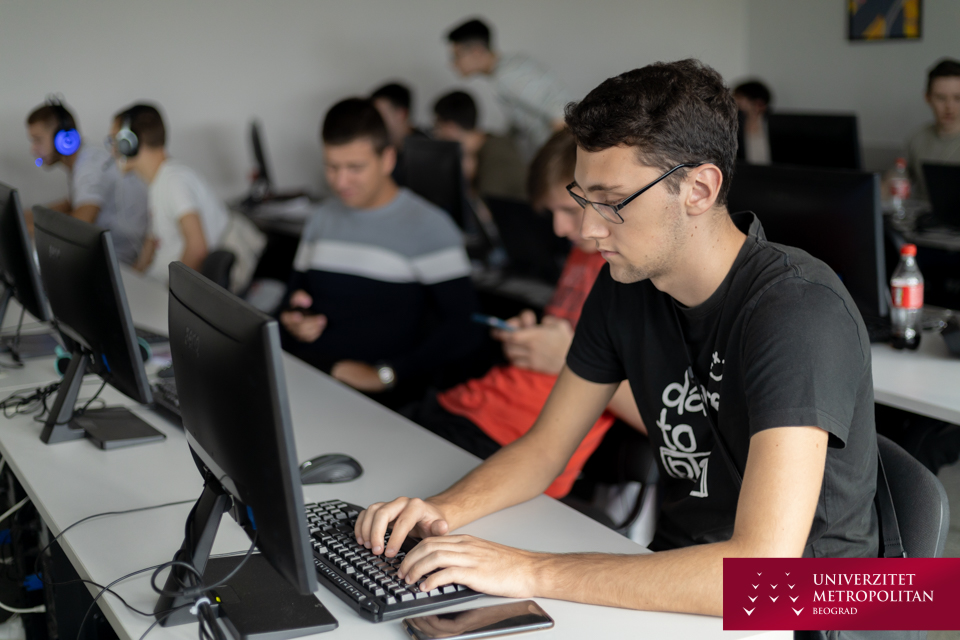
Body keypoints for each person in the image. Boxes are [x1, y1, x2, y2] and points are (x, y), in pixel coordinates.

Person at [354, 60, 878, 618]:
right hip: (681, 577)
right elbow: (544, 449)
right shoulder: (625, 285)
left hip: (813, 607)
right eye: (584, 198)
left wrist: (529, 569)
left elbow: (762, 571)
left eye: (612, 202)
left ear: (699, 189)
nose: (588, 228)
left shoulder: (797, 310)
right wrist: (439, 513)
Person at [408, 129, 642, 499]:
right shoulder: (584, 251)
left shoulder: (637, 275)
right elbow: (565, 334)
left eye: (570, 210)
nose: (559, 228)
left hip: (514, 441)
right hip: (472, 408)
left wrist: (566, 360)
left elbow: (665, 418)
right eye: (554, 213)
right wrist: (532, 339)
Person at [279, 98, 479, 407]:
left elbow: (463, 327)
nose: (340, 182)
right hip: (310, 373)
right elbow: (295, 294)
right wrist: (294, 318)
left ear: (387, 160)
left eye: (355, 168)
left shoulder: (429, 227)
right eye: (331, 167)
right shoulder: (322, 217)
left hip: (375, 395)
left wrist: (387, 375)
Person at [109, 103, 264, 292]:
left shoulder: (175, 181)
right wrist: (131, 280)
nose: (112, 150)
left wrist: (170, 295)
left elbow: (197, 249)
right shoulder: (159, 182)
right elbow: (153, 239)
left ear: (130, 143)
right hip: (154, 286)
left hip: (167, 292)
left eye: (114, 141)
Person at [26, 99, 148, 265]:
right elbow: (70, 204)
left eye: (38, 140)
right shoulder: (84, 159)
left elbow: (79, 225)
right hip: (106, 257)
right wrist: (24, 216)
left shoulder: (89, 167)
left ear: (65, 139)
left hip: (121, 264)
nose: (33, 149)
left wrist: (27, 228)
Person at [445, 18, 570, 160]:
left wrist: (556, 161)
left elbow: (561, 113)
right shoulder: (504, 71)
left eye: (456, 56)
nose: (452, 64)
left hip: (560, 156)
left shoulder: (508, 75)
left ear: (477, 51)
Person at [432, 90, 526, 201]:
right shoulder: (487, 145)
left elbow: (487, 207)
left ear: (451, 127)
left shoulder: (497, 155)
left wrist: (466, 180)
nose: (436, 134)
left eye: (438, 127)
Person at [906, 58, 960, 199]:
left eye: (957, 98)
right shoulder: (917, 138)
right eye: (941, 98)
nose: (949, 107)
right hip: (925, 212)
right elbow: (899, 176)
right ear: (928, 98)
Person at [371, 82, 430, 186]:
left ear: (402, 114)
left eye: (380, 115)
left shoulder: (427, 153)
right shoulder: (381, 147)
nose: (375, 121)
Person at [732, 80, 772, 165]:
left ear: (758, 103)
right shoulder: (735, 126)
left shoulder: (772, 124)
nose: (735, 101)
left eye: (739, 97)